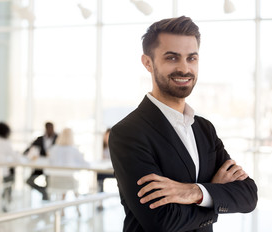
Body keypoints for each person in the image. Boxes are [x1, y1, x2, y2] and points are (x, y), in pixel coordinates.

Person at [108, 16, 258, 232]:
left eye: (192, 58)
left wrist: (194, 192)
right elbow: (162, 221)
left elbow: (248, 196)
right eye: (172, 58)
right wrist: (214, 192)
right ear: (148, 62)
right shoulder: (128, 133)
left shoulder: (205, 129)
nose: (184, 68)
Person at [46, 128, 87, 215]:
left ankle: (62, 211)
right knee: (71, 183)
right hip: (68, 180)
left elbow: (49, 164)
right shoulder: (73, 150)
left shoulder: (53, 149)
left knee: (64, 184)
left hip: (54, 180)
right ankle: (77, 209)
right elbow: (84, 164)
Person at [24, 122, 57, 200]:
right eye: (48, 128)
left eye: (51, 128)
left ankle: (46, 198)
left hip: (52, 167)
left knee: (48, 182)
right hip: (40, 166)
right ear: (45, 128)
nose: (50, 130)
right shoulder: (40, 139)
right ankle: (43, 192)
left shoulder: (58, 138)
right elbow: (28, 149)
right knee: (29, 181)